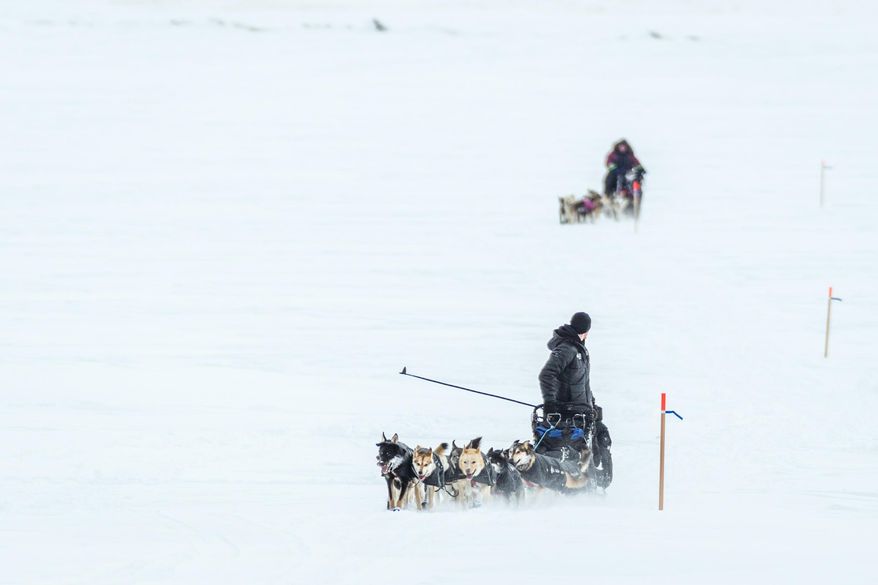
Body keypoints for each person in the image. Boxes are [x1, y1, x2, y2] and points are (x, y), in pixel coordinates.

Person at [539, 312, 594, 419]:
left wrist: (591, 402)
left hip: (582, 411)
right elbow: (547, 374)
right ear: (586, 330)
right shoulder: (567, 349)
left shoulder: (579, 349)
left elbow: (582, 380)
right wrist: (550, 402)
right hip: (567, 413)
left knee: (601, 431)